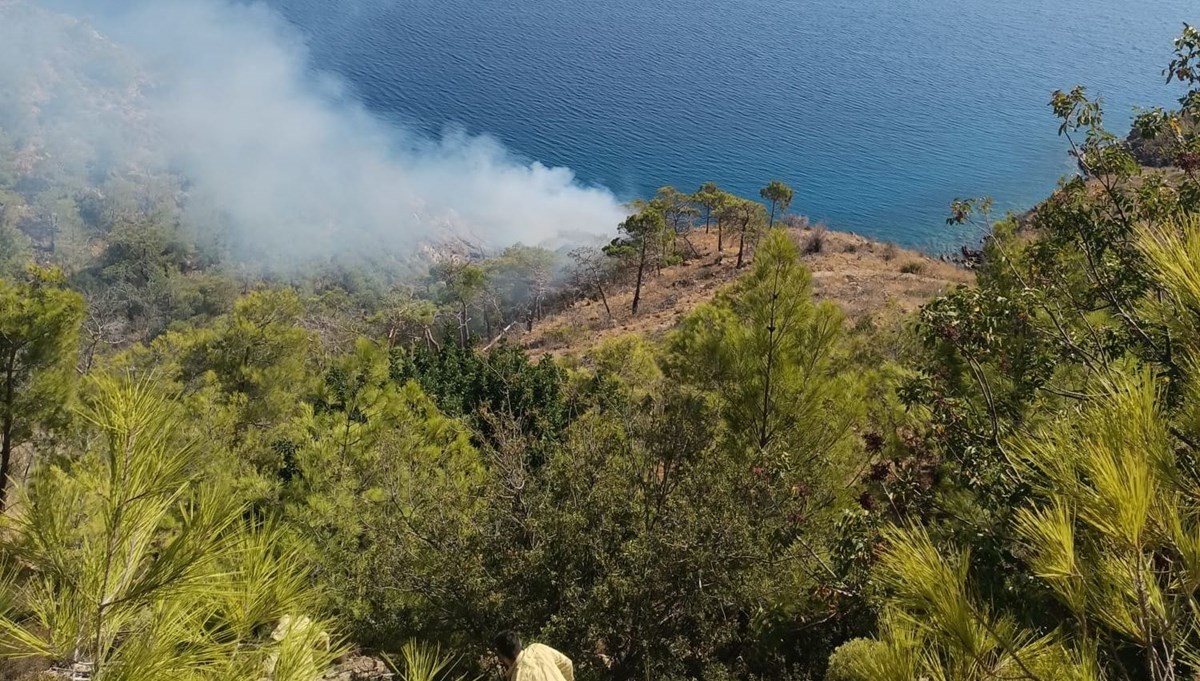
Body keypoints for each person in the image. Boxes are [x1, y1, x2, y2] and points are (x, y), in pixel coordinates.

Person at [493, 630, 573, 681]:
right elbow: (567, 664)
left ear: (502, 657)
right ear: (519, 643)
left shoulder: (517, 678)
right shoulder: (537, 648)